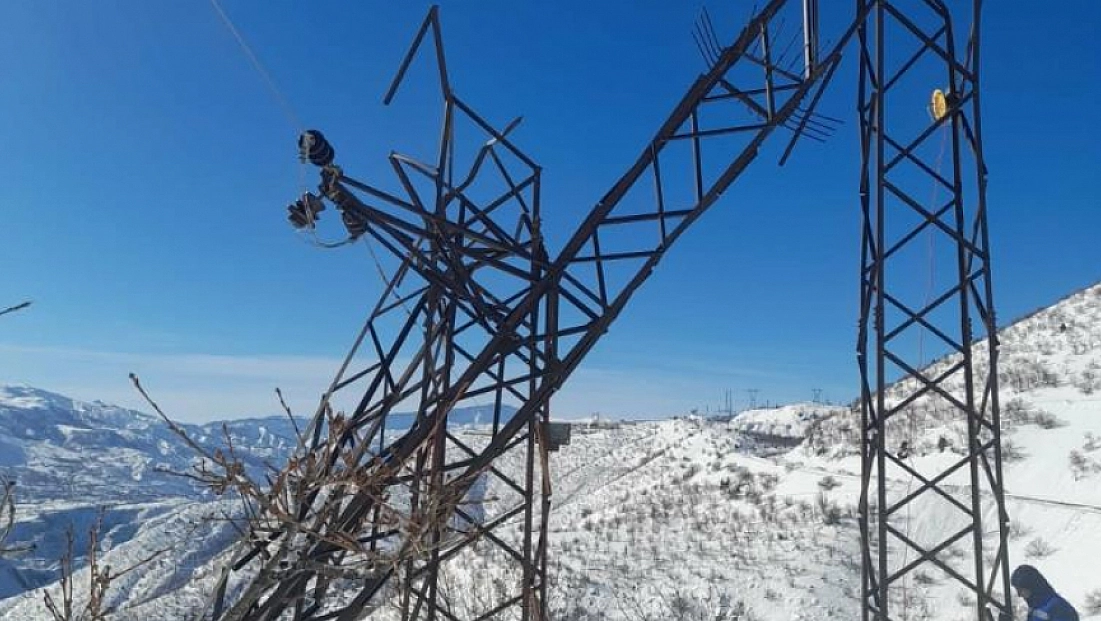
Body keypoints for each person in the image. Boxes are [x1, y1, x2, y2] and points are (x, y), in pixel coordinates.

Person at [1011, 564, 1078, 621]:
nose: (1019, 594)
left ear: (1032, 587)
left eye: (1021, 590)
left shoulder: (1060, 609)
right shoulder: (1035, 607)